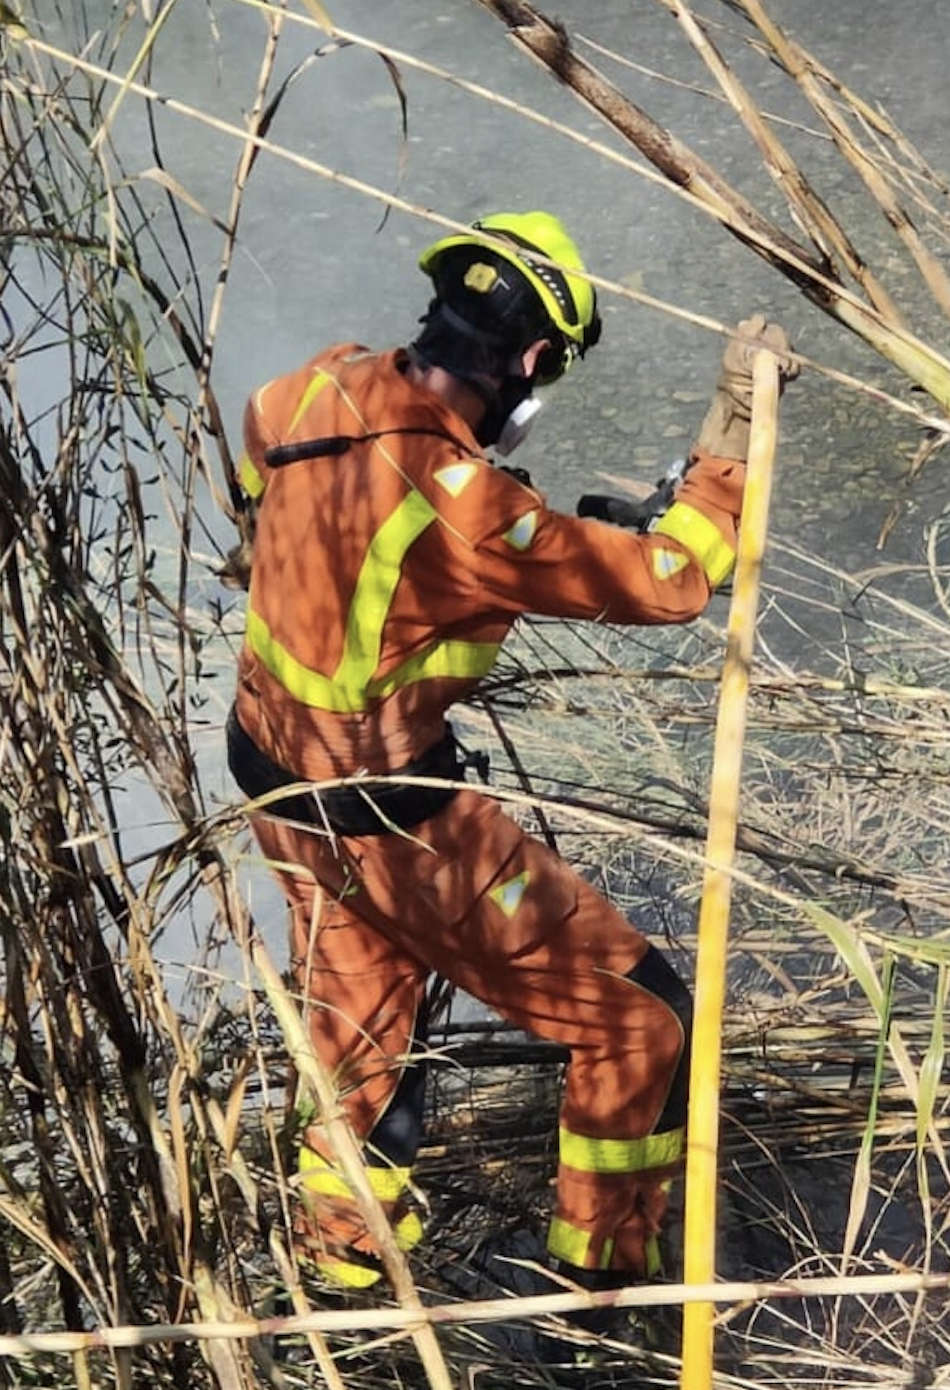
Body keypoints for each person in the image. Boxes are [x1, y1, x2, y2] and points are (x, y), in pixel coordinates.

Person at [225, 210, 794, 1297]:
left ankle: (339, 1289)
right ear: (534, 361)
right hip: (397, 824)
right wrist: (730, 436)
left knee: (357, 1047)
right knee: (642, 1020)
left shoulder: (308, 389)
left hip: (276, 790)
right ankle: (593, 1295)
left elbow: (260, 468)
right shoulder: (470, 511)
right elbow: (675, 577)